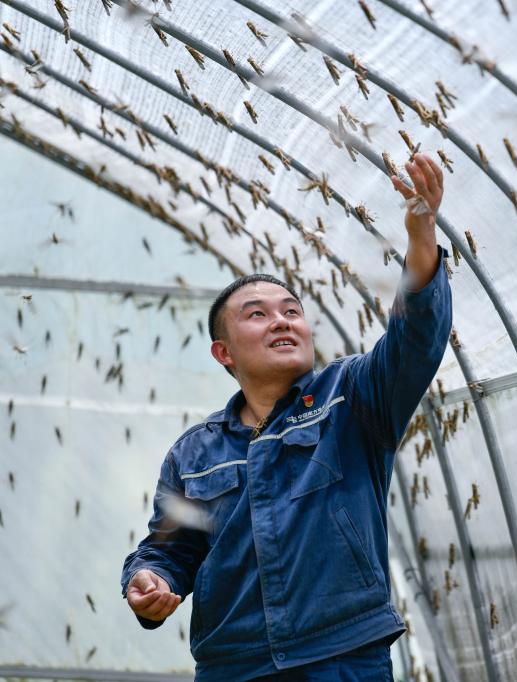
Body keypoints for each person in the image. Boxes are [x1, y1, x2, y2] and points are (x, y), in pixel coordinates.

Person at [120, 154, 452, 681]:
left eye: (292, 310)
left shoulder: (352, 395)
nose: (282, 321)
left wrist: (421, 234)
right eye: (258, 314)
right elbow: (170, 549)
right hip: (234, 665)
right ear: (223, 353)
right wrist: (147, 578)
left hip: (343, 657)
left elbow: (417, 339)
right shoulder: (194, 453)